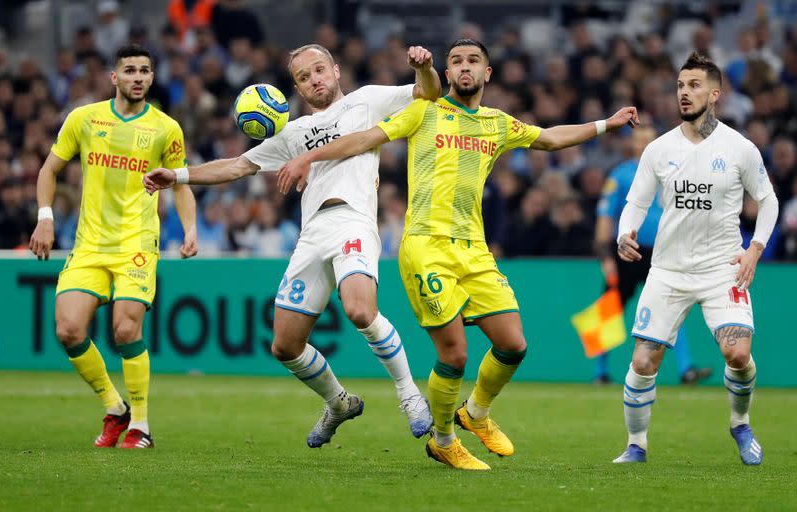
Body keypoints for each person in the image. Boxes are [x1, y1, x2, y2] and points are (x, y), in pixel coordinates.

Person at [276, 39, 639, 470]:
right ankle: (443, 440)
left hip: (474, 249)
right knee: (455, 354)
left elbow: (550, 139)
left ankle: (476, 413)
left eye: (473, 62)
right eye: (456, 62)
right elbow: (362, 139)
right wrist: (308, 158)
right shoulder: (423, 111)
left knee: (513, 344)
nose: (464, 68)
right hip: (426, 246)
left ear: (488, 73)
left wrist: (605, 125)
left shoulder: (496, 123)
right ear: (447, 74)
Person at [143, 43, 441, 447]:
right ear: (297, 90)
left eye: (319, 70)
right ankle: (338, 403)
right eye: (304, 77)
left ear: (335, 70)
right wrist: (177, 176)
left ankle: (409, 395)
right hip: (312, 234)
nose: (314, 79)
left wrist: (424, 67)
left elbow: (429, 93)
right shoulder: (292, 132)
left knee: (359, 308)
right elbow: (236, 165)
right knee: (284, 345)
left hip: (353, 219)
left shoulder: (366, 100)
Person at [28, 44, 199, 449]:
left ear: (152, 78)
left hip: (137, 243)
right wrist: (45, 218)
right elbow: (49, 169)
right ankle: (114, 406)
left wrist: (190, 229)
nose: (138, 77)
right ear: (114, 77)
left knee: (125, 330)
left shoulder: (166, 128)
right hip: (89, 244)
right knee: (68, 330)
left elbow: (181, 184)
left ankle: (140, 424)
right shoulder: (84, 119)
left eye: (144, 71)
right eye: (130, 70)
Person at [612, 53, 778, 465]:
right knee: (643, 361)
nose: (685, 93)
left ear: (715, 93)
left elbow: (769, 200)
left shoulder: (739, 148)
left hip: (723, 268)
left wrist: (754, 249)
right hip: (668, 271)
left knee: (738, 354)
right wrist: (623, 233)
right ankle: (637, 445)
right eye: (681, 86)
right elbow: (636, 202)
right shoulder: (659, 149)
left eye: (694, 86)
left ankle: (740, 423)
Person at [594, 126, 712, 385]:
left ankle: (686, 369)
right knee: (608, 310)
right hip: (627, 252)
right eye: (640, 139)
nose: (645, 143)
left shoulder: (672, 171)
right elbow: (605, 215)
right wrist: (604, 255)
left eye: (649, 139)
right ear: (632, 144)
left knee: (671, 307)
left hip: (662, 251)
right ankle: (600, 372)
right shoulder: (621, 174)